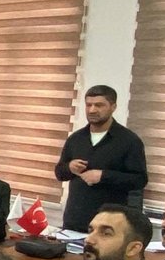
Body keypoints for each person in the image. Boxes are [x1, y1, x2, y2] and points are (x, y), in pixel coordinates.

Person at [54, 84, 147, 233]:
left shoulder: (129, 141)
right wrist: (70, 167)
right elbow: (60, 173)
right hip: (75, 221)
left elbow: (139, 180)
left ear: (113, 107)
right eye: (88, 105)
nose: (92, 110)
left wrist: (103, 176)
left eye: (99, 105)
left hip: (109, 224)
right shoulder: (76, 139)